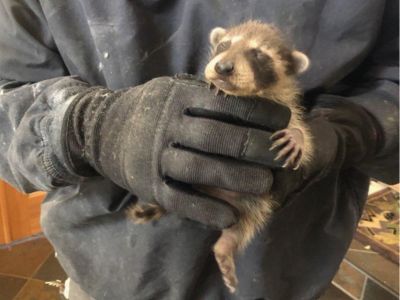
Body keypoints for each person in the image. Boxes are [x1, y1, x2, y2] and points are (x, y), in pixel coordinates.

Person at [0, 0, 398, 299]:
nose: (225, 65)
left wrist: (350, 130)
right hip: (109, 275)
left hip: (286, 271)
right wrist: (86, 125)